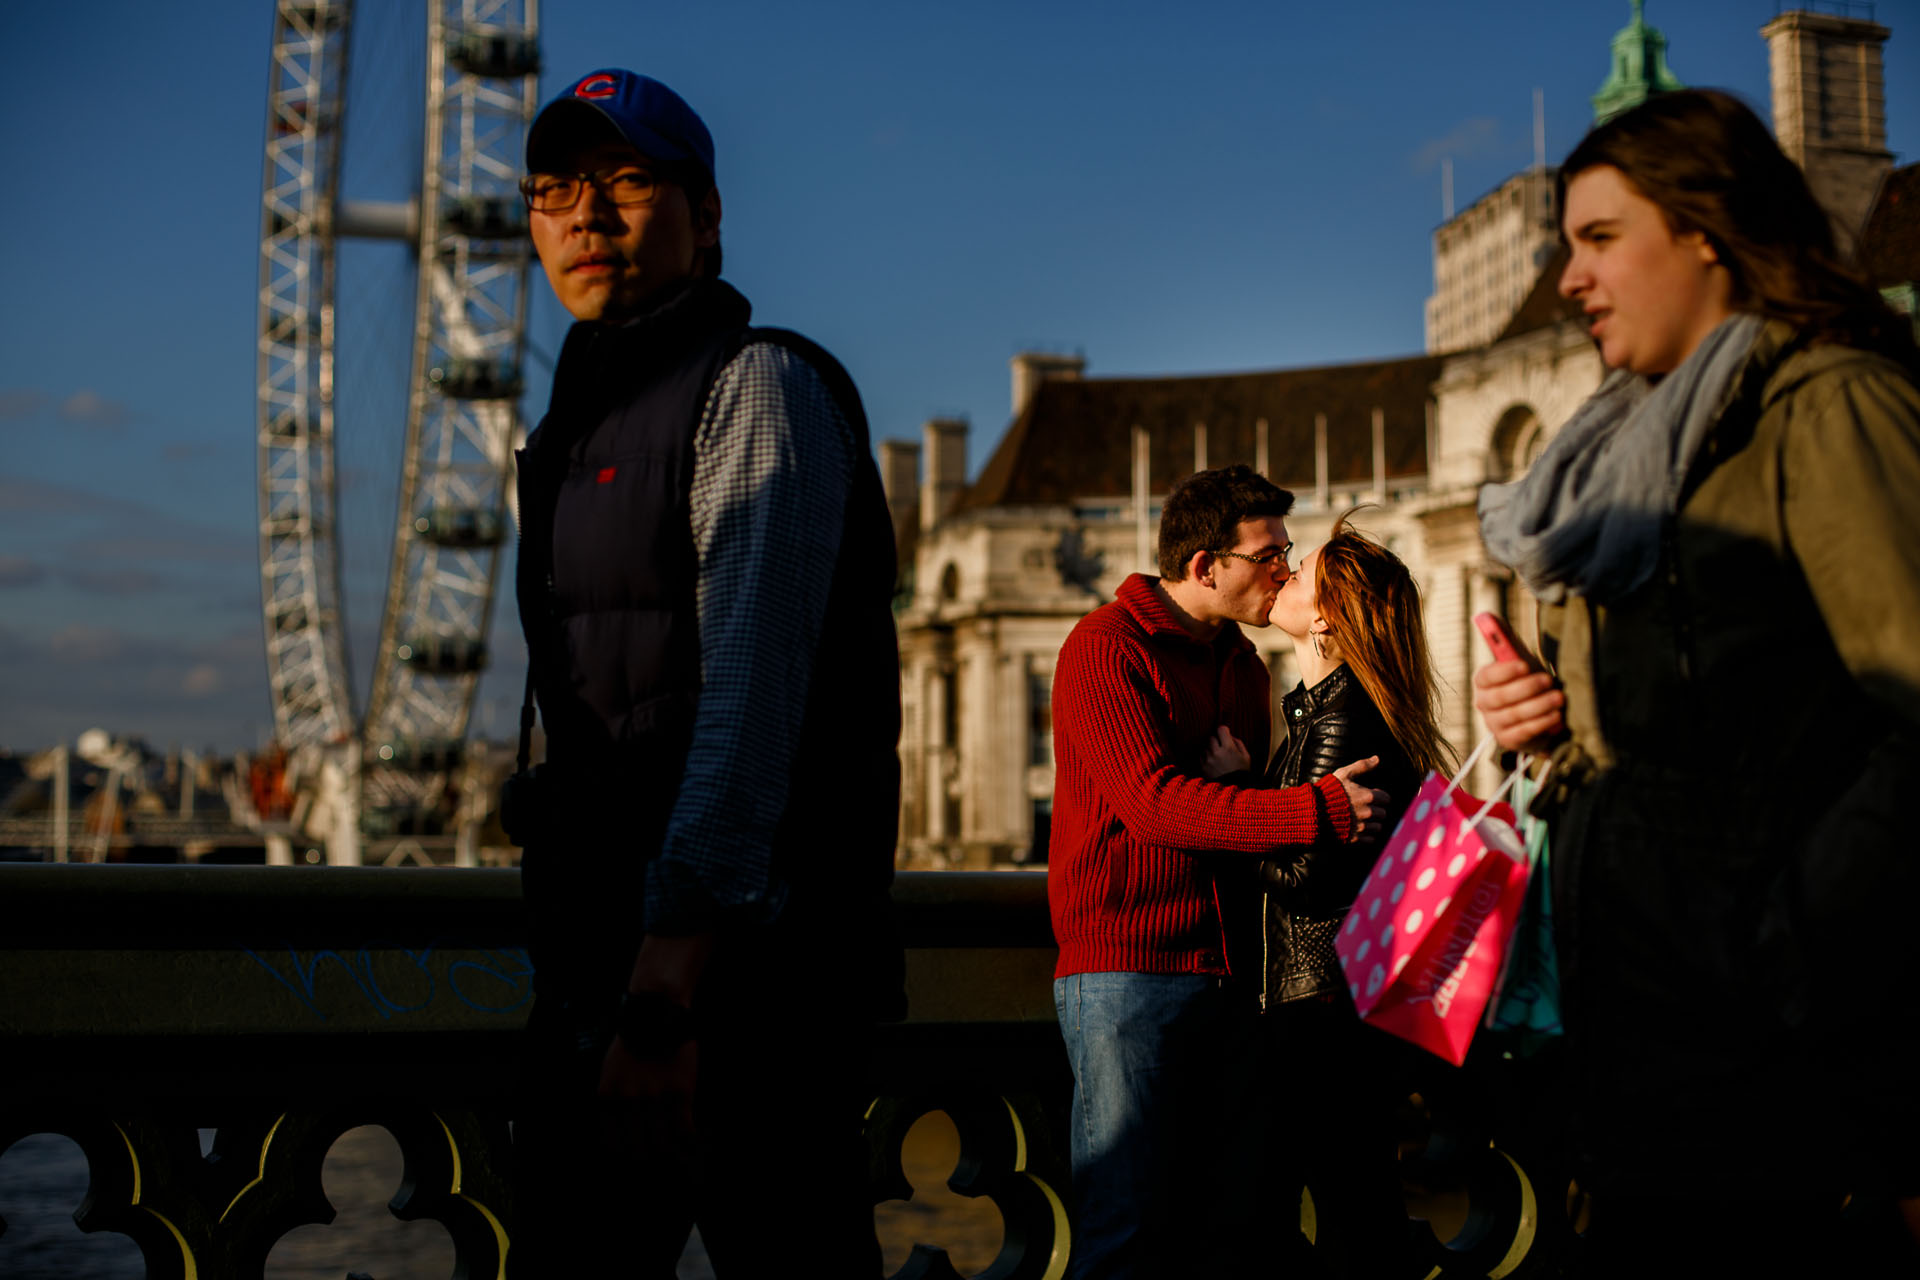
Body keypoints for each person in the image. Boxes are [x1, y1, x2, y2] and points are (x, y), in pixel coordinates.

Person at [1472, 89, 1920, 1272]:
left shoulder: (1829, 407)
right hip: (1645, 1036)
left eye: (1600, 239)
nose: (1569, 279)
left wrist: (1792, 928)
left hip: (1771, 1047)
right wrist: (1546, 729)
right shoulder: (1637, 448)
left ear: (1708, 231)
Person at [506, 69, 902, 1276]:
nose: (586, 215)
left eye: (627, 182)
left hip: (738, 1001)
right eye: (552, 190)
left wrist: (666, 984)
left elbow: (746, 707)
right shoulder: (569, 435)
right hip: (601, 969)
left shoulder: (758, 388)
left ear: (709, 213)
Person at [1048, 464, 1390, 1279]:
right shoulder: (1103, 649)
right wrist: (1317, 808)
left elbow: (1229, 822)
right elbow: (1156, 807)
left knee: (1219, 1230)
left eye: (1286, 550)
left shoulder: (1243, 663)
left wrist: (1247, 796)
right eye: (1268, 554)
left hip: (1234, 978)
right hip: (1128, 972)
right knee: (1123, 1227)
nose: (1284, 568)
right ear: (1207, 566)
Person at [1204, 512, 1448, 1275]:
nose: (1283, 573)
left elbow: (1307, 879)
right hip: (1328, 1009)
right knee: (1349, 1210)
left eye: (1299, 569)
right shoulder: (1328, 713)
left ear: (1327, 616)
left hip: (1322, 1017)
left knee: (1349, 1218)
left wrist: (1233, 800)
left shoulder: (1345, 722)